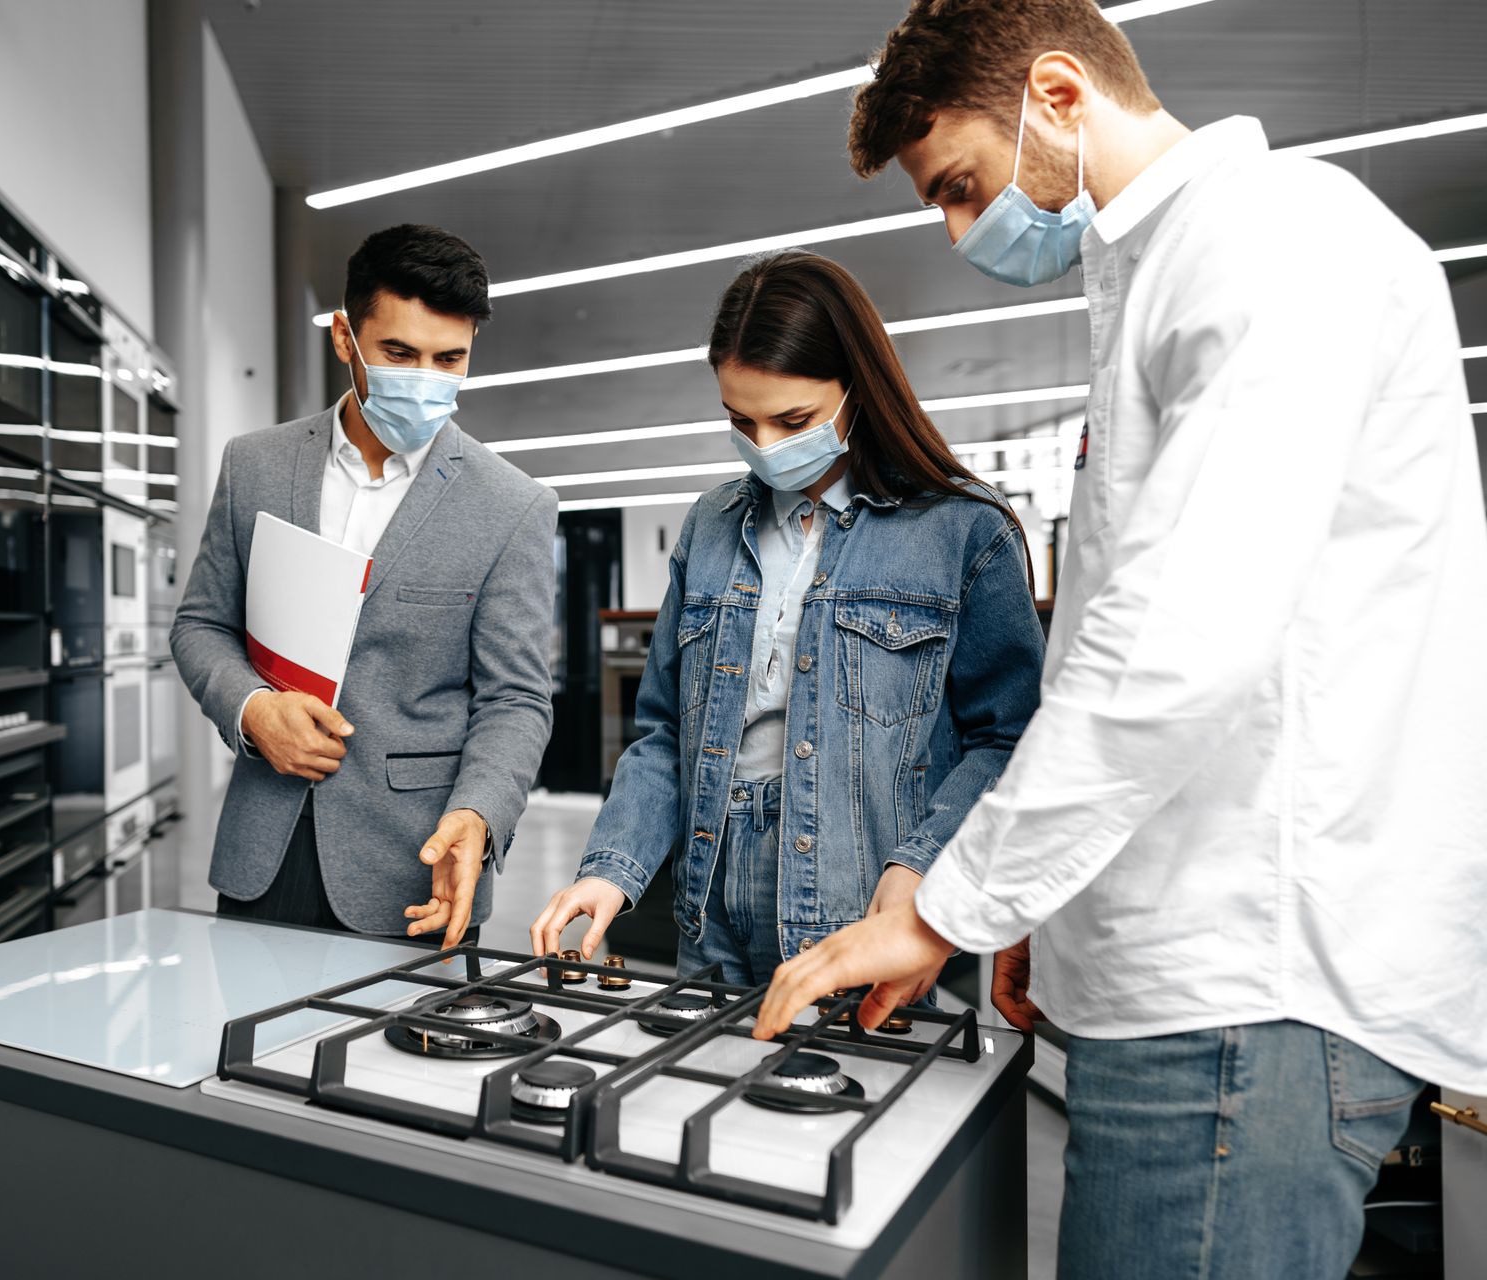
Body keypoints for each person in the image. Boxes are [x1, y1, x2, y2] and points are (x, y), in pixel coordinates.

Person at [751, 3, 1487, 1276]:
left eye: (963, 185)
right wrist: (1051, 904)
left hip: (1242, 990)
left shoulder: (1272, 241)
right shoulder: (1166, 272)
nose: (958, 228)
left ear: (1056, 94)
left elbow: (1179, 643)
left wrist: (959, 902)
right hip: (1191, 983)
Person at [530, 251, 1045, 988]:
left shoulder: (963, 529)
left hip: (869, 909)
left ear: (857, 390)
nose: (765, 446)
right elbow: (668, 732)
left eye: (793, 419)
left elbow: (1009, 739)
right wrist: (613, 868)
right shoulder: (711, 525)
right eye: (742, 420)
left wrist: (921, 865)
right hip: (710, 906)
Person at [171, 223, 557, 949]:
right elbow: (199, 626)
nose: (424, 379)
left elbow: (516, 698)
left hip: (418, 868)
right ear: (345, 338)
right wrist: (253, 708)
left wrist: (478, 814)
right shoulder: (255, 466)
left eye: (450, 359)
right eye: (399, 353)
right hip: (264, 854)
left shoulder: (512, 507)